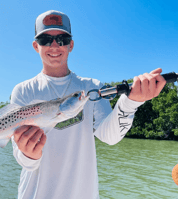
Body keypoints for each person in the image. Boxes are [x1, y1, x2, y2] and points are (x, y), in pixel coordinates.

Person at [10, 10, 166, 199]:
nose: (54, 45)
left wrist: (131, 102)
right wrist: (29, 155)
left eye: (62, 39)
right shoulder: (23, 91)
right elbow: (24, 161)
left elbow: (110, 137)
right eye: (45, 39)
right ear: (36, 46)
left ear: (71, 45)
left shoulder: (91, 87)